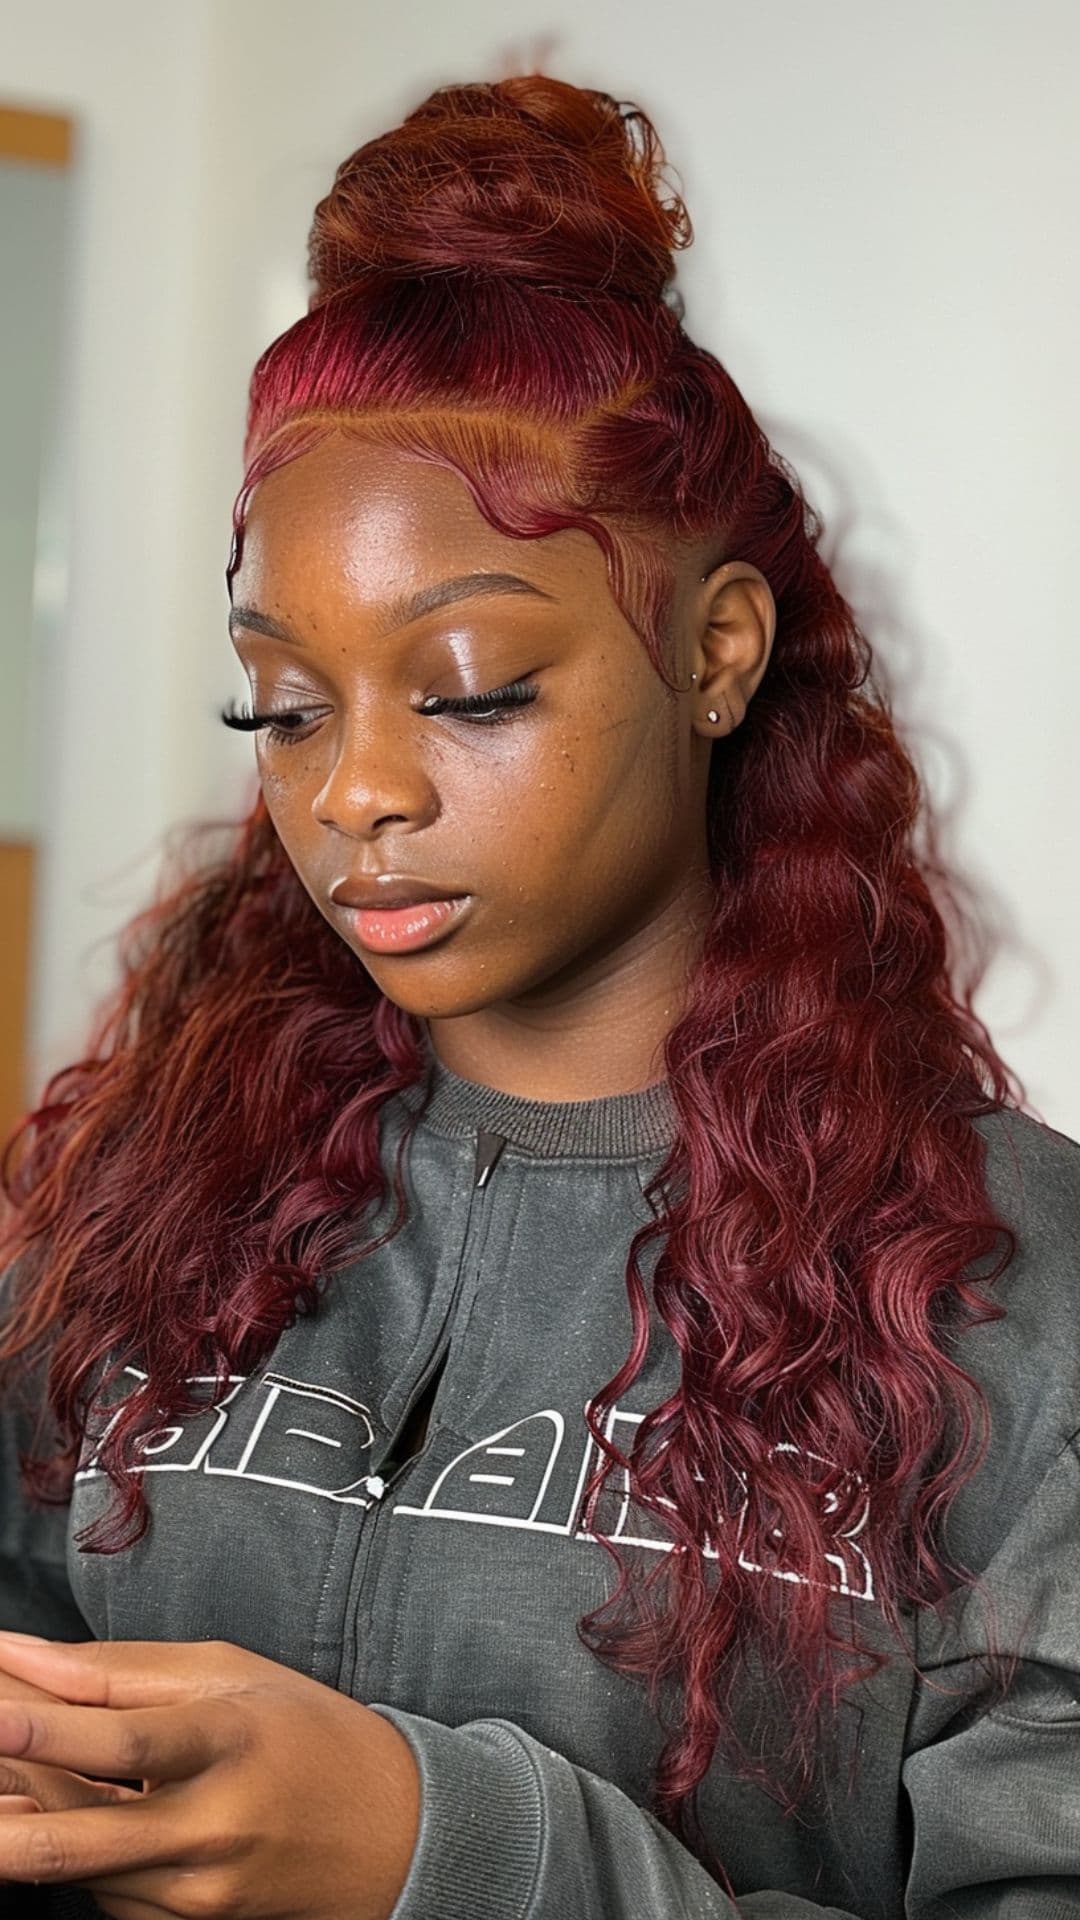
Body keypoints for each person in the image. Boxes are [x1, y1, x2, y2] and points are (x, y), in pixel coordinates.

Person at [0, 70, 1077, 1920]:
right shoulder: (148, 1203)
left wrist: (461, 1853)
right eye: (284, 701)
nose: (355, 792)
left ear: (715, 653)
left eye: (473, 686)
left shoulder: (1022, 1303)